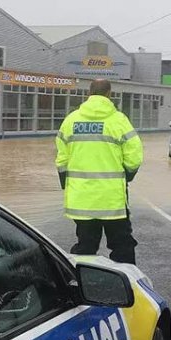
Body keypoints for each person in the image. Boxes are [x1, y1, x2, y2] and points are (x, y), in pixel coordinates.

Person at [55, 79, 143, 264]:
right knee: (122, 247)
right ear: (109, 94)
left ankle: (81, 285)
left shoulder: (71, 120)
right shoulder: (119, 121)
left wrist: (67, 182)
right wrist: (127, 176)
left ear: (89, 94)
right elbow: (134, 157)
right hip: (113, 201)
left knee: (85, 247)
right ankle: (126, 285)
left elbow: (61, 160)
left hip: (82, 200)